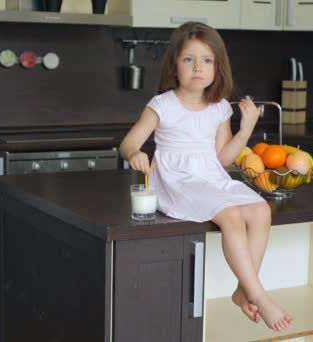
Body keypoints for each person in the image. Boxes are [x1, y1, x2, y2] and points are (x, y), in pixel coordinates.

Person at [119, 22, 294, 332]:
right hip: (177, 180)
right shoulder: (162, 105)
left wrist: (246, 129)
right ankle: (258, 294)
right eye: (189, 59)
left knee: (260, 210)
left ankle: (243, 290)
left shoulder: (220, 109)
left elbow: (223, 158)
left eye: (207, 60)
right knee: (230, 215)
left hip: (210, 178)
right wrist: (135, 154)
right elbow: (129, 143)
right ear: (174, 66)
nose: (198, 67)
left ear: (217, 68)